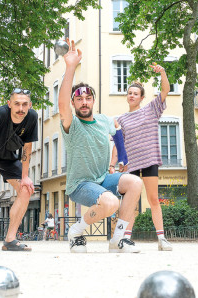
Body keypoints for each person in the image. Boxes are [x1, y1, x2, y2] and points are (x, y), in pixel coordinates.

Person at [59, 39, 142, 253]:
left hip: (103, 178)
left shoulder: (105, 120)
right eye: (79, 99)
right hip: (80, 184)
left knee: (134, 182)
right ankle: (76, 231)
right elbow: (61, 105)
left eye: (88, 98)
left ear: (93, 101)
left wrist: (121, 159)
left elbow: (118, 135)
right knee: (111, 202)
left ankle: (118, 239)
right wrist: (70, 67)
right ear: (73, 103)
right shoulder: (72, 123)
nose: (84, 102)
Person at [110, 64, 172, 251]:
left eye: (135, 93)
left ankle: (161, 238)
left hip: (150, 160)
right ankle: (124, 238)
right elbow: (118, 145)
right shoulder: (121, 120)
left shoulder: (152, 109)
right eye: (129, 93)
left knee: (153, 199)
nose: (132, 96)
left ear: (142, 97)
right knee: (131, 203)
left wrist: (162, 72)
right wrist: (112, 165)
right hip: (131, 164)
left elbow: (165, 90)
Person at [0, 88, 38, 251]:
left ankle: (10, 240)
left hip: (8, 158)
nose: (21, 109)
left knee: (26, 189)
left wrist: (25, 176)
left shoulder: (32, 117)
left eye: (24, 104)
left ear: (30, 105)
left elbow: (27, 147)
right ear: (9, 104)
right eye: (17, 104)